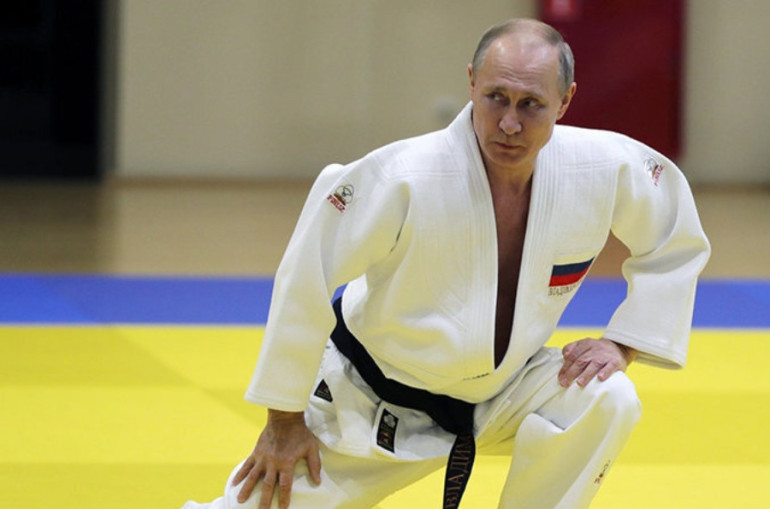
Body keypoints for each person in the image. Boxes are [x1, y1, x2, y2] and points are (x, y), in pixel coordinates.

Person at [181, 18, 710, 509]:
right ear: (472, 82)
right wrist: (283, 419)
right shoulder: (402, 175)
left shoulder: (603, 167)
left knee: (607, 397)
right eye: (496, 97)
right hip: (367, 402)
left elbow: (675, 233)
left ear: (566, 99)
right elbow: (305, 277)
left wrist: (623, 343)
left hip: (502, 395)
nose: (509, 123)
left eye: (531, 104)